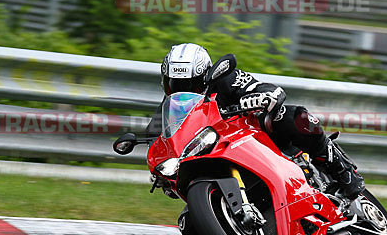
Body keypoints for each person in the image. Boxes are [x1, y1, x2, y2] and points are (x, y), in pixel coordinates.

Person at [145, 43, 366, 200]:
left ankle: (341, 168)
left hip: (253, 137)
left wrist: (263, 96)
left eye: (190, 84)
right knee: (190, 224)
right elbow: (155, 139)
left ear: (204, 77)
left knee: (294, 118)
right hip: (212, 155)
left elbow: (266, 89)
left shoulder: (224, 80)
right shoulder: (169, 110)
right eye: (175, 83)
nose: (182, 90)